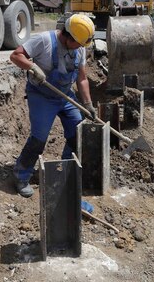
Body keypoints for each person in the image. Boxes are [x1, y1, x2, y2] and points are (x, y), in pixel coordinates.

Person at [10, 13, 96, 198]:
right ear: (68, 36)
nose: (80, 47)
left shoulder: (79, 49)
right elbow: (16, 55)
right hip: (42, 96)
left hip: (64, 96)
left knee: (77, 131)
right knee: (39, 139)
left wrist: (88, 104)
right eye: (78, 43)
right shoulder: (44, 41)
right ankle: (21, 175)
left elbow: (81, 78)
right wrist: (32, 67)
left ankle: (65, 169)